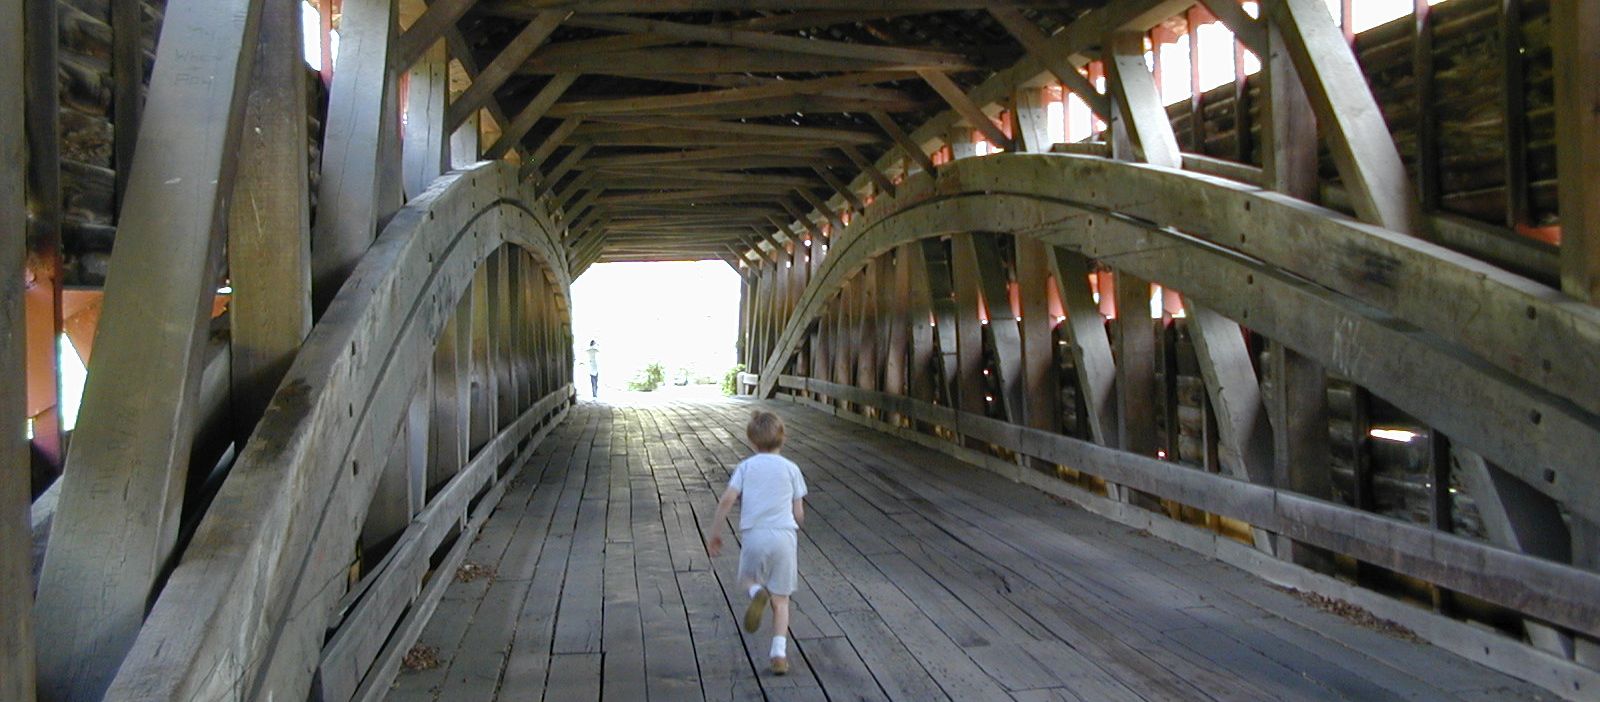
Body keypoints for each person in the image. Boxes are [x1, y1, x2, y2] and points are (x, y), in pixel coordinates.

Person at [706, 410, 807, 675]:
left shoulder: (746, 468)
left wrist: (716, 532)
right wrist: (796, 522)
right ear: (782, 439)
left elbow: (727, 500)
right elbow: (799, 513)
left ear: (752, 442)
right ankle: (778, 653)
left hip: (755, 536)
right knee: (782, 600)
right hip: (784, 537)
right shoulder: (792, 469)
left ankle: (755, 593)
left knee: (749, 579)